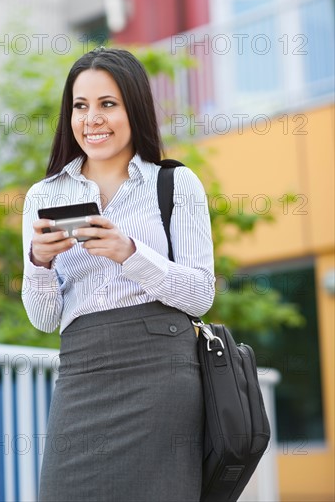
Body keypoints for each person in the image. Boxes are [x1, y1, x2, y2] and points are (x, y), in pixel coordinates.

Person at [22, 47, 215, 502]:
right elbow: (44, 318)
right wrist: (39, 263)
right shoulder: (42, 195)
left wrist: (131, 253)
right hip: (83, 369)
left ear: (134, 107)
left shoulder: (175, 184)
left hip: (161, 369)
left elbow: (201, 294)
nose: (93, 119)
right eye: (81, 106)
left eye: (108, 104)